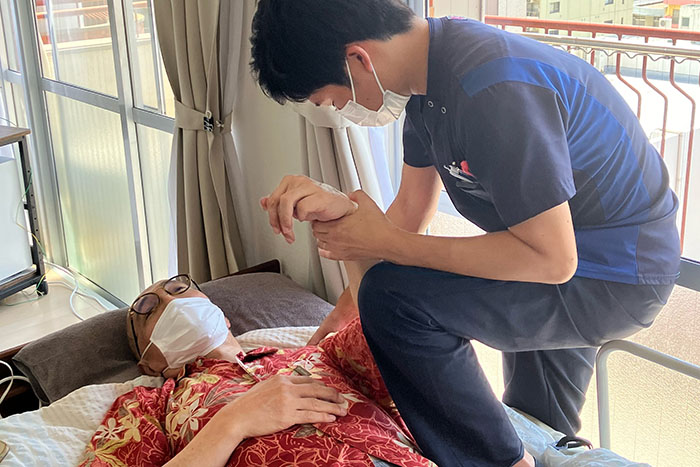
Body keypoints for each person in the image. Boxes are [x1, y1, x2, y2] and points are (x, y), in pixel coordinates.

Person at [250, 1, 681, 466]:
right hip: (558, 251)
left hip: (615, 273)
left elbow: (553, 260)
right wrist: (342, 315)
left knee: (395, 299)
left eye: (332, 100)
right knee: (535, 421)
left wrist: (380, 251)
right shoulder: (427, 81)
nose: (341, 110)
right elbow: (410, 210)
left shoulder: (492, 88)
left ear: (358, 59)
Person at [79, 274, 433, 467]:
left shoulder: (321, 355)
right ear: (150, 364)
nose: (171, 300)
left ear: (221, 316)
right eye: (148, 308)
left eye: (178, 287)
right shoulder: (147, 407)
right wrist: (233, 423)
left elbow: (401, 318)